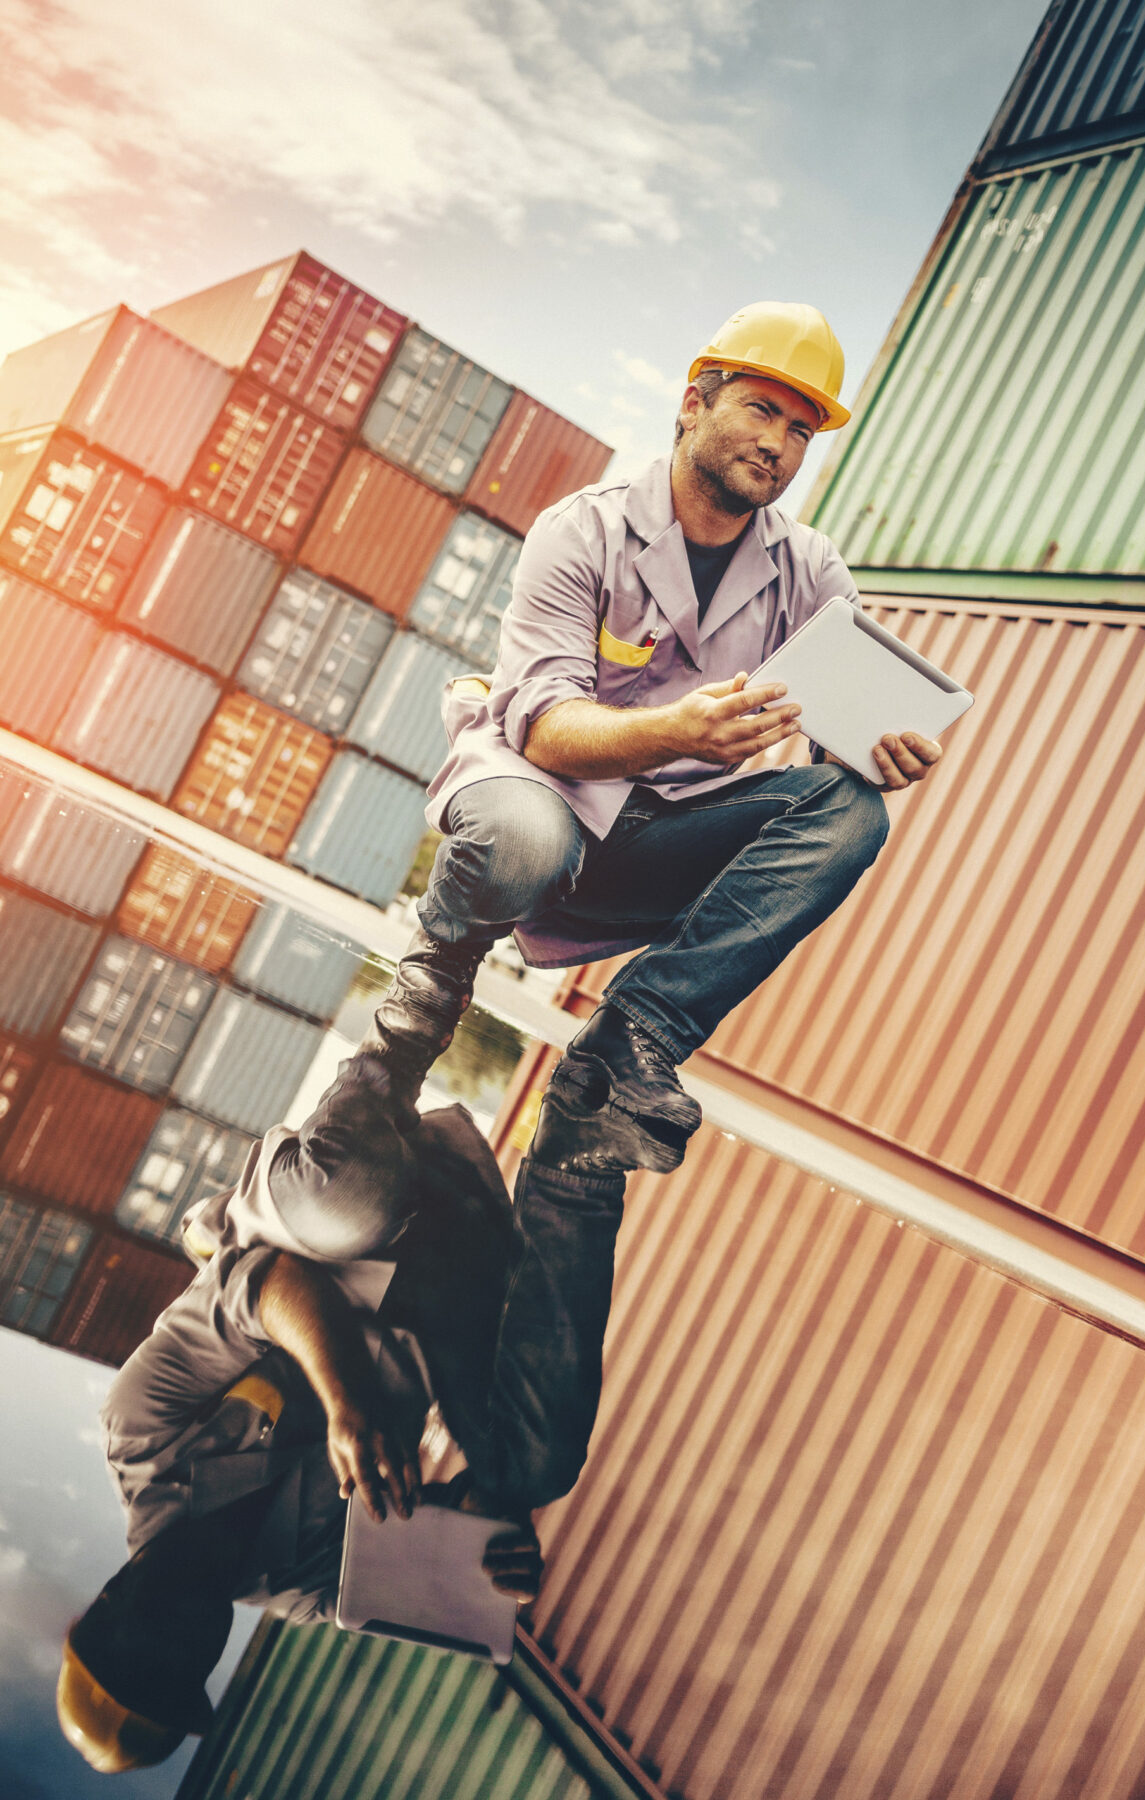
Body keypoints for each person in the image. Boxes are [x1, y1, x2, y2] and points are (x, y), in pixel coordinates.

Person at [365, 301, 944, 1171]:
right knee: (525, 832)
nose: (778, 444)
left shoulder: (812, 572)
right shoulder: (581, 529)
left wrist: (869, 750)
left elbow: (834, 734)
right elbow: (548, 730)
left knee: (851, 812)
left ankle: (630, 1040)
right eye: (759, 409)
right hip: (538, 797)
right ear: (691, 405)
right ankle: (436, 975)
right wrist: (673, 731)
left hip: (655, 836)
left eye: (800, 430)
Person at [58, 1062, 620, 1774]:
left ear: (106, 1604)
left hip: (331, 1220)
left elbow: (268, 1281)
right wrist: (494, 1545)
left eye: (150, 1656)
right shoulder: (309, 1588)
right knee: (534, 1467)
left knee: (345, 1208)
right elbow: (466, 1525)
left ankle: (408, 1021)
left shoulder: (139, 1433)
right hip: (447, 1288)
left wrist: (344, 1405)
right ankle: (587, 1153)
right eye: (185, 1677)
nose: (187, 1649)